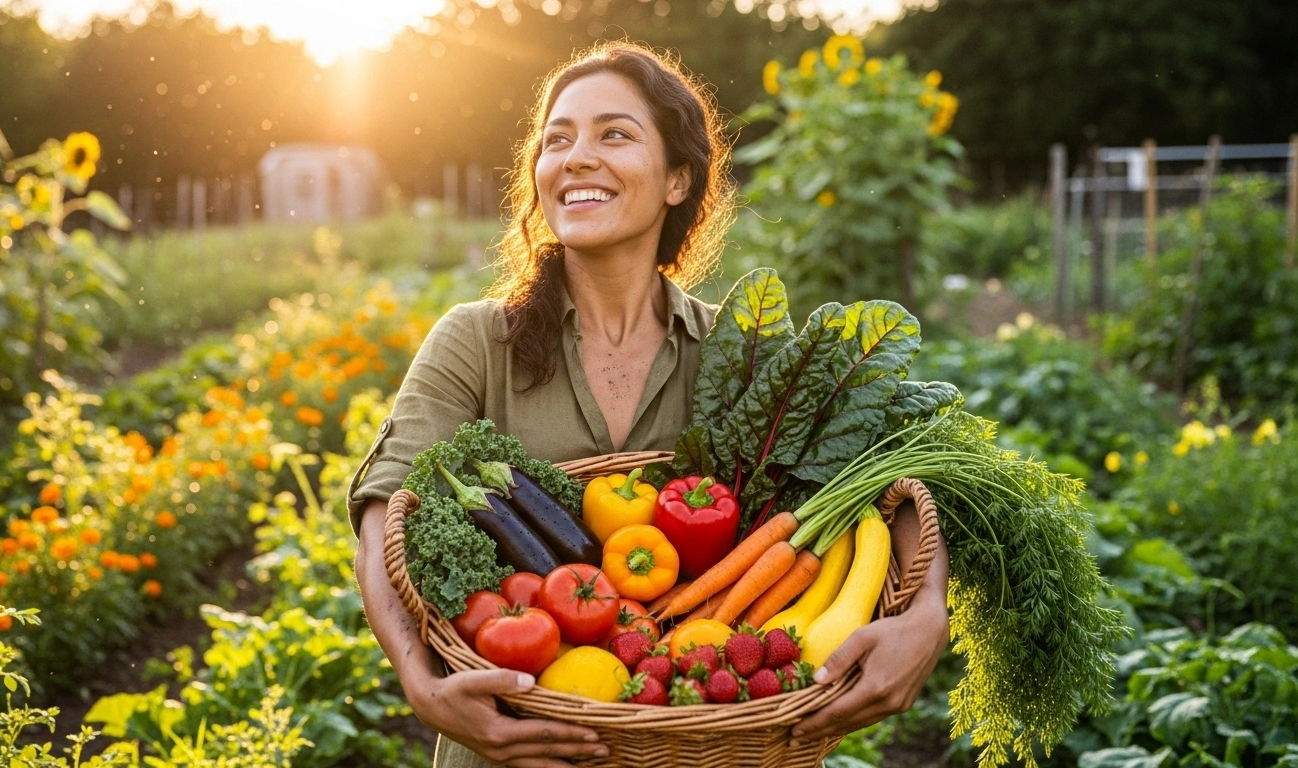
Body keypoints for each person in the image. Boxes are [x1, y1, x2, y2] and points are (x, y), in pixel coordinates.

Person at [348, 41, 950, 768]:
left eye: (614, 134)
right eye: (557, 139)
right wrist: (419, 681)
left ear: (676, 180)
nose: (575, 157)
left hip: (710, 736)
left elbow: (888, 484)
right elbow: (388, 511)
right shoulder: (476, 342)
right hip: (518, 745)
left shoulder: (739, 351)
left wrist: (928, 614)